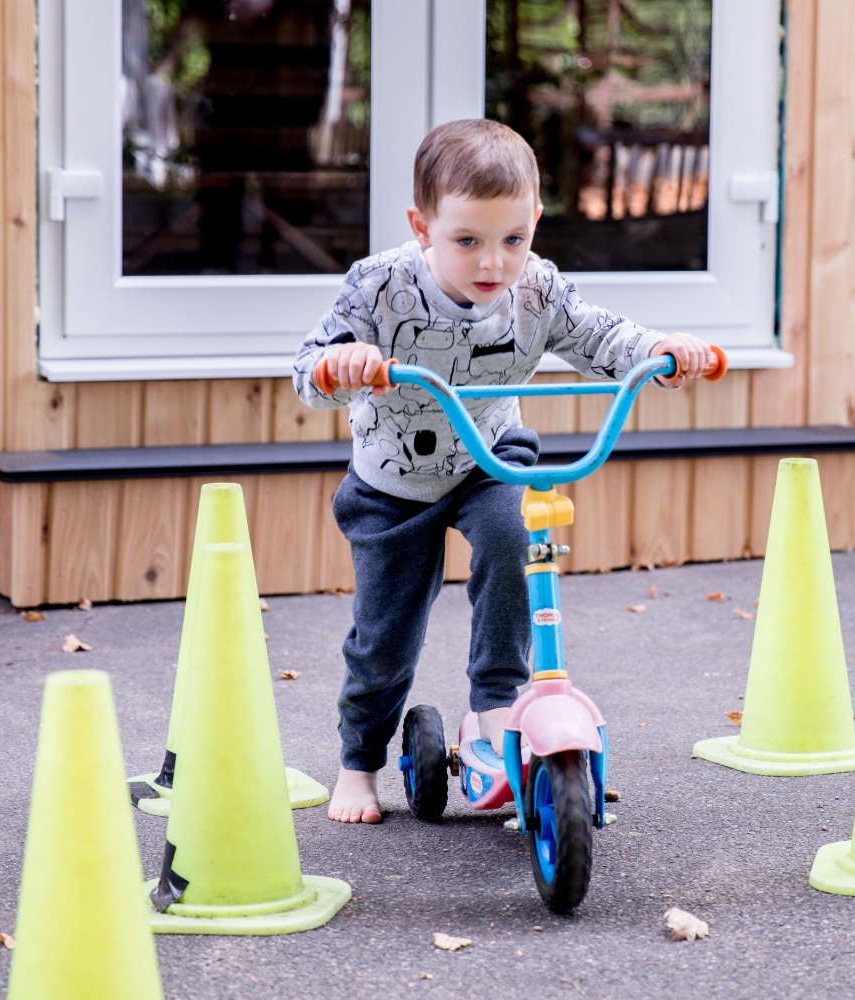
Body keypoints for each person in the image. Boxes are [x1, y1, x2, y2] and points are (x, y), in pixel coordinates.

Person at [292, 118, 715, 824]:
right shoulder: (377, 288)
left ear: (534, 224)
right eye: (468, 241)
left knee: (515, 536)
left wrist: (662, 353)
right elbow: (307, 371)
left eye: (513, 239)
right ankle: (358, 764)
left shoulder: (537, 290)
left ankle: (497, 700)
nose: (493, 261)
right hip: (393, 482)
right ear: (421, 225)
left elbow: (603, 336)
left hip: (491, 459)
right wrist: (340, 366)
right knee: (384, 635)